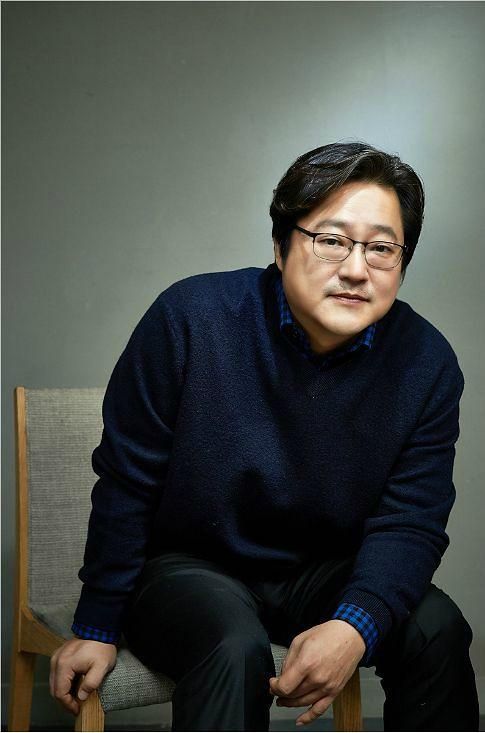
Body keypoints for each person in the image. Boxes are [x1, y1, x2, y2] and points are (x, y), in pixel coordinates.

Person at [50, 141, 479, 731]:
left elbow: (412, 520)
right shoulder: (190, 319)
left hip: (319, 572)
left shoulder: (427, 363)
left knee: (436, 626)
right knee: (232, 644)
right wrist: (96, 626)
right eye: (331, 240)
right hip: (188, 571)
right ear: (280, 245)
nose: (356, 269)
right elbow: (128, 482)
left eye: (382, 248)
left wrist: (353, 626)